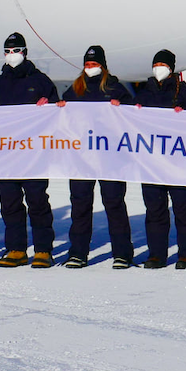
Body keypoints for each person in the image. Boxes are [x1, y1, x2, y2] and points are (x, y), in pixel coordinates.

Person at [0, 31, 58, 268]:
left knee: (37, 201)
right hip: (5, 155)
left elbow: (58, 113)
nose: (11, 55)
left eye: (15, 51)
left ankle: (43, 250)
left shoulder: (41, 81)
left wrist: (50, 107)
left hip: (33, 153)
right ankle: (16, 249)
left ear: (24, 52)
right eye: (7, 51)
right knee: (10, 203)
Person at [58, 45, 135, 269]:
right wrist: (61, 107)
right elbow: (63, 118)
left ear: (102, 65)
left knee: (114, 204)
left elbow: (131, 115)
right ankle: (78, 253)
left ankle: (122, 253)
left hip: (110, 157)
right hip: (82, 157)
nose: (90, 68)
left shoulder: (115, 88)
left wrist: (123, 107)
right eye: (87, 64)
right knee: (80, 204)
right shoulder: (75, 89)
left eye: (94, 64)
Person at [132, 48, 186, 269]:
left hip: (178, 161)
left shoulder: (184, 92)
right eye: (156, 65)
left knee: (183, 208)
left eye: (162, 65)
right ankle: (156, 254)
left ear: (171, 68)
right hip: (151, 163)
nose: (158, 69)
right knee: (155, 210)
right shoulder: (145, 92)